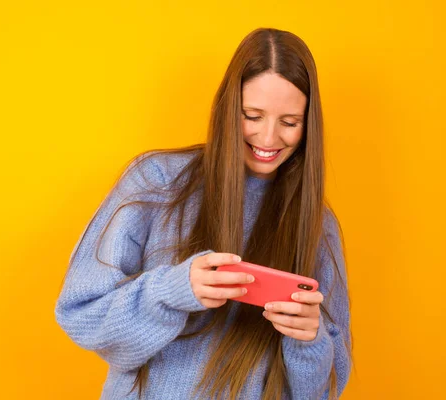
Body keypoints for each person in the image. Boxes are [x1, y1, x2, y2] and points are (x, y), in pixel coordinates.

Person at [55, 27, 352, 400]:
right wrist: (174, 290)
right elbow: (81, 313)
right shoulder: (158, 180)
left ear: (308, 125)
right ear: (228, 107)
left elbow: (325, 390)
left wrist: (309, 340)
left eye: (289, 122)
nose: (268, 138)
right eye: (252, 115)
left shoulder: (318, 226)